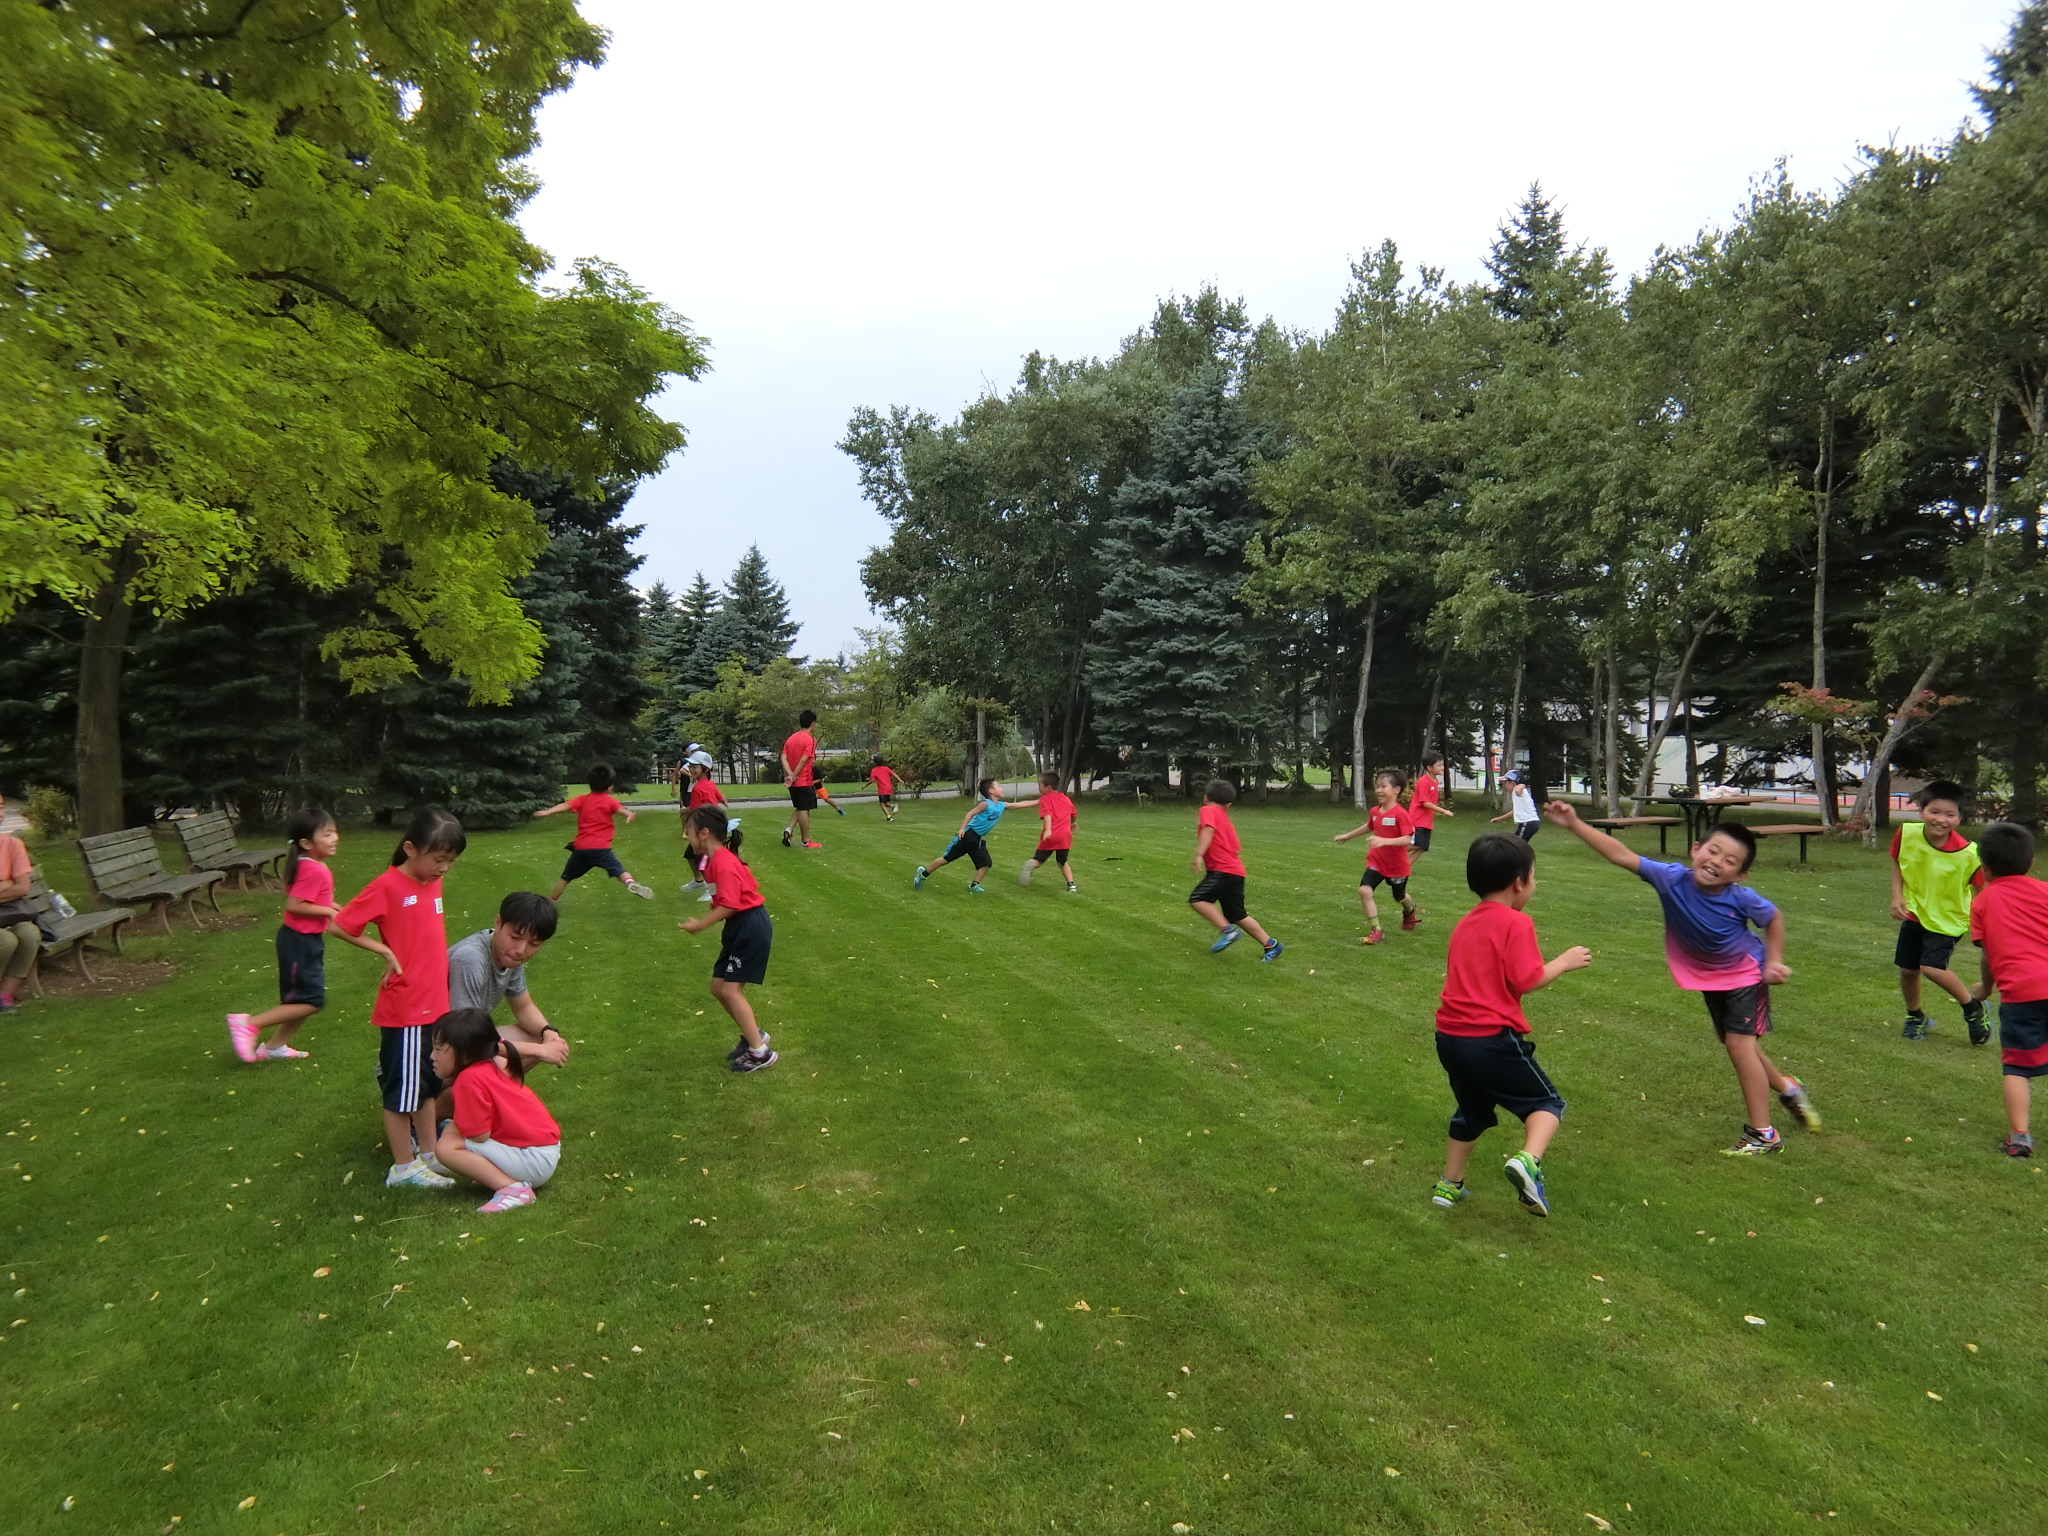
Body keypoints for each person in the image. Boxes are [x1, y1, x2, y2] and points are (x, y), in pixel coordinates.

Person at [1544, 801, 1819, 1155]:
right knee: (1739, 1046)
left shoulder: (1742, 898)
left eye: (1730, 861)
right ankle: (1787, 1088)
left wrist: (1774, 961)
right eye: (1713, 851)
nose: (1717, 862)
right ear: (1695, 849)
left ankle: (1763, 1134)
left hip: (1745, 975)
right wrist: (1574, 823)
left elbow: (1773, 919)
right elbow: (1620, 854)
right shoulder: (1671, 878)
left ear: (1740, 875)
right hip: (1710, 978)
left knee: (1739, 1046)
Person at [1430, 832, 1592, 1216]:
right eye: (1534, 876)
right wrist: (1564, 962)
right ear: (1519, 882)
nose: (1534, 884)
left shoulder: (1465, 924)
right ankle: (1527, 1162)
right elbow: (1527, 979)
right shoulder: (1515, 923)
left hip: (1449, 1037)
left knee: (1471, 1111)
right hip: (1490, 1038)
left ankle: (1449, 1185)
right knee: (1546, 1104)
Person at [334, 809, 468, 1190]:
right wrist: (384, 951)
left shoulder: (431, 882)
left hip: (435, 1005)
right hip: (407, 1010)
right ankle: (403, 1168)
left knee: (427, 1084)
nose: (444, 868)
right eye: (439, 859)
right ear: (410, 849)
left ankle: (429, 1153)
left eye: (450, 861)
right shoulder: (387, 886)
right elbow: (340, 925)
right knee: (402, 1093)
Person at [226, 807, 342, 1062]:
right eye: (327, 834)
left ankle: (275, 1047)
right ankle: (248, 1024)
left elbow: (309, 899)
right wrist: (328, 911)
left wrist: (330, 906)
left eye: (334, 832)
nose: (334, 838)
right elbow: (295, 905)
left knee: (303, 999)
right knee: (310, 1001)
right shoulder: (313, 869)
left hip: (306, 941)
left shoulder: (311, 864)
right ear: (306, 843)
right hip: (299, 942)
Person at [1966, 821, 2048, 1157]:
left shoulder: (1983, 903)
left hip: (2021, 994)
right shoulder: (2045, 891)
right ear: (2031, 862)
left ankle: (2020, 1138)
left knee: (2017, 1067)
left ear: (1984, 869)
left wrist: (1985, 988)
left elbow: (1989, 956)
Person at [429, 1008, 562, 1213]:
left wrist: (453, 1128)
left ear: (464, 1054)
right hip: (544, 1153)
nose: (432, 1056)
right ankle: (494, 1176)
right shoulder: (492, 1065)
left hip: (535, 1161)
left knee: (446, 1147)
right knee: (453, 1132)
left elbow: (479, 1136)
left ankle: (513, 1190)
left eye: (439, 1049)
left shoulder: (468, 1080)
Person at [679, 805, 779, 1073]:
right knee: (718, 987)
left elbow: (731, 904)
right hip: (739, 927)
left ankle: (761, 1053)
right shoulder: (713, 861)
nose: (685, 836)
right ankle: (754, 1034)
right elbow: (729, 895)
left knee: (730, 990)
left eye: (688, 832)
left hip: (750, 927)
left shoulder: (723, 862)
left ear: (703, 834)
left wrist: (700, 925)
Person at [1890, 779, 1987, 1043]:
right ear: (1922, 810)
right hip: (1914, 912)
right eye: (1934, 811)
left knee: (1931, 968)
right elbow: (1898, 863)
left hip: (1949, 920)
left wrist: (1982, 923)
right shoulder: (1906, 834)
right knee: (1908, 970)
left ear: (1959, 818)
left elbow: (1981, 890)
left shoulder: (1968, 854)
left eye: (1949, 814)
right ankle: (1915, 1016)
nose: (1941, 820)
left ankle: (1972, 1007)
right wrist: (1897, 896)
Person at [447, 891, 568, 1070]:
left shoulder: (508, 955)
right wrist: (538, 1051)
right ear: (498, 923)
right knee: (501, 1069)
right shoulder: (470, 959)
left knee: (540, 1039)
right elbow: (465, 1038)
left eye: (534, 944)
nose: (521, 950)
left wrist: (549, 1033)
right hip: (438, 1048)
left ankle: (497, 1083)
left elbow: (523, 1007)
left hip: (466, 1039)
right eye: (515, 937)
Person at [1188, 779, 1283, 962]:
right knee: (1237, 915)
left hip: (1223, 871)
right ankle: (1271, 944)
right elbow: (1233, 847)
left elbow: (1208, 830)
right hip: (1235, 872)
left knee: (1198, 899)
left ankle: (1228, 931)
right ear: (1229, 805)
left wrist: (1199, 854)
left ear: (1206, 798)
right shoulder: (1224, 819)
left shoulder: (1208, 810)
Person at [535, 764, 652, 901]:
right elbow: (620, 809)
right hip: (601, 849)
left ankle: (551, 901)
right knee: (619, 871)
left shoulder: (582, 799)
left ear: (589, 784)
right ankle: (630, 883)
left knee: (565, 878)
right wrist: (629, 814)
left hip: (582, 849)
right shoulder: (609, 801)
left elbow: (565, 805)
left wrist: (547, 811)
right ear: (609, 787)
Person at [1336, 769, 1419, 945]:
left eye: (1383, 786)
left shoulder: (1400, 814)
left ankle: (1410, 909)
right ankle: (1377, 930)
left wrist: (1384, 841)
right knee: (1364, 891)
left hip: (1397, 866)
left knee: (1399, 897)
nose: (1379, 790)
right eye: (1377, 786)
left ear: (1396, 790)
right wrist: (1348, 835)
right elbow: (1369, 826)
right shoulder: (1375, 811)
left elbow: (1407, 839)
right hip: (1376, 862)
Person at [916, 778, 1034, 895]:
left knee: (986, 863)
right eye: (998, 786)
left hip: (977, 839)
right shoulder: (985, 804)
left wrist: (1039, 801)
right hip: (967, 836)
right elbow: (970, 813)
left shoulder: (1001, 805)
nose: (1001, 789)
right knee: (946, 859)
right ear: (991, 791)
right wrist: (962, 829)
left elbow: (1020, 804)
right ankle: (922, 874)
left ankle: (973, 886)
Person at [0, 792, 39, 1013]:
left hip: (10, 912)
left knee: (29, 934)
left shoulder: (12, 845)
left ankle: (4, 996)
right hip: (7, 909)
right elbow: (14, 886)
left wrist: (9, 884)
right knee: (5, 941)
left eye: (1, 807)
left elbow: (23, 887)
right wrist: (6, 883)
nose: (0, 813)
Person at [1018, 773, 1079, 892]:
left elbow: (1047, 813)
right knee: (1062, 862)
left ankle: (1031, 864)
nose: (1038, 788)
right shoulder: (1065, 798)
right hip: (1065, 836)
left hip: (1051, 836)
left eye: (1040, 785)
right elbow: (1073, 814)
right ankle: (1071, 885)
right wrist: (1073, 823)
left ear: (1048, 787)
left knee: (1039, 860)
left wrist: (1048, 829)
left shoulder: (1045, 799)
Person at [681, 754, 730, 900]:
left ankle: (712, 890)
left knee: (702, 862)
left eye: (695, 767)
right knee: (690, 855)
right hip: (711, 826)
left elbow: (695, 810)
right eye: (690, 766)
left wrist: (684, 811)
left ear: (705, 769)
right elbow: (720, 796)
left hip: (705, 831)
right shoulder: (709, 783)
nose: (691, 769)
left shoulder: (697, 788)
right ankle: (699, 881)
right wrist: (723, 801)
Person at [781, 710, 825, 849]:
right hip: (804, 780)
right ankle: (805, 841)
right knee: (804, 810)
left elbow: (784, 758)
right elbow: (804, 759)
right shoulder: (810, 739)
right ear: (812, 723)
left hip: (793, 782)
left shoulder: (790, 739)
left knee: (800, 807)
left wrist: (790, 775)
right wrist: (794, 775)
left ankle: (789, 830)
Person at [1410, 752, 1454, 853]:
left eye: (1442, 765)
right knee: (1417, 844)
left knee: (1423, 847)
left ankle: (1404, 864)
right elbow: (1425, 803)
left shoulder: (1435, 781)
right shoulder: (1423, 781)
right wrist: (1443, 811)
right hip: (1417, 820)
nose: (1442, 767)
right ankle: (1395, 853)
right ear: (1429, 768)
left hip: (1427, 821)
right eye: (1439, 765)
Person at [1490, 770, 1540, 840]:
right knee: (1517, 842)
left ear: (1513, 784)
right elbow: (1515, 811)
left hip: (1527, 822)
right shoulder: (1519, 794)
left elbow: (1521, 786)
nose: (1505, 786)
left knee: (1516, 842)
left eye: (1506, 782)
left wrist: (1520, 787)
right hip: (1531, 823)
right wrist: (1500, 819)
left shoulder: (1518, 791)